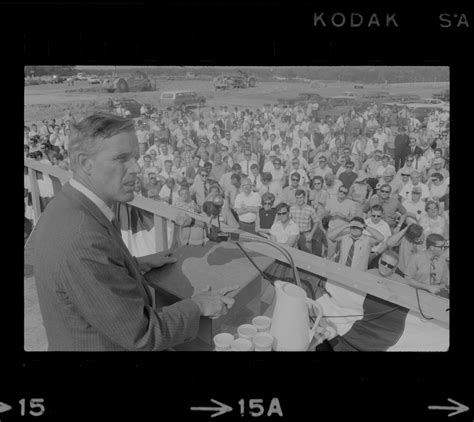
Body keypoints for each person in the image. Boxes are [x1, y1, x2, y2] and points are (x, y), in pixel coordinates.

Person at [31, 113, 237, 351]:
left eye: (136, 158)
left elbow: (90, 277)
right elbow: (142, 334)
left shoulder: (70, 205)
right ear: (85, 163)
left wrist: (132, 264)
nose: (137, 168)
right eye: (122, 159)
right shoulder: (83, 238)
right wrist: (198, 305)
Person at [289, 189, 320, 254]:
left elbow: (316, 221)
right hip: (294, 235)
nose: (299, 200)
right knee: (294, 254)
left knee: (307, 255)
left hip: (306, 235)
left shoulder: (310, 209)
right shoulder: (292, 209)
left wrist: (311, 234)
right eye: (297, 198)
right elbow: (289, 222)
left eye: (301, 197)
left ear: (304, 197)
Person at [365, 204, 392, 268]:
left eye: (378, 216)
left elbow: (386, 243)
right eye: (373, 215)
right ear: (370, 213)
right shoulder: (365, 223)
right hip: (363, 252)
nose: (375, 218)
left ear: (382, 215)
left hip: (376, 254)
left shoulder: (385, 226)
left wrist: (375, 254)